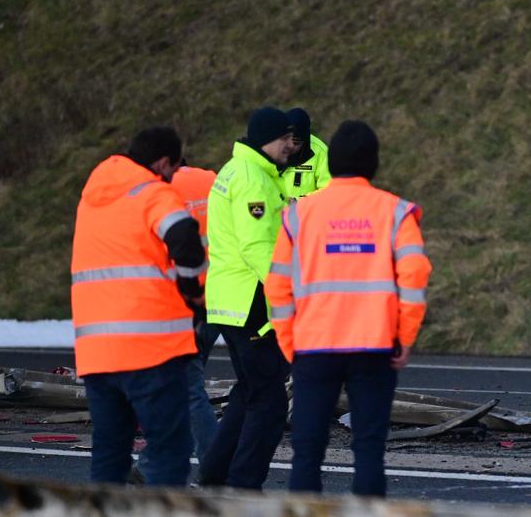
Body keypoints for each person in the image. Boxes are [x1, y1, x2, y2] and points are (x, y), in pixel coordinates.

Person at [267, 121, 431, 496]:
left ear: (333, 161)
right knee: (369, 448)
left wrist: (289, 343)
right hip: (374, 346)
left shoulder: (297, 215)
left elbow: (278, 285)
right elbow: (414, 276)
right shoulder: (395, 212)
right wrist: (404, 335)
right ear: (373, 164)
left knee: (307, 451)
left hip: (314, 347)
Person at [71, 127, 208, 486]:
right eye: (175, 169)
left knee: (109, 453)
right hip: (151, 350)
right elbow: (185, 240)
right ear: (163, 163)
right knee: (168, 451)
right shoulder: (154, 193)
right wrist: (192, 292)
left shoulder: (93, 197)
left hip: (98, 353)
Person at [197, 106, 297, 490]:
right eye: (285, 138)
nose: (291, 145)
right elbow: (259, 248)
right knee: (269, 400)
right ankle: (244, 483)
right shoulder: (254, 179)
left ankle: (216, 472)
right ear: (266, 138)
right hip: (252, 300)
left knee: (250, 390)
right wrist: (288, 294)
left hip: (230, 299)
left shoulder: (235, 170)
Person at [132, 160, 220, 476]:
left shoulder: (158, 191)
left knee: (187, 388)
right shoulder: (212, 179)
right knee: (178, 387)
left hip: (184, 301)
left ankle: (216, 468)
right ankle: (148, 465)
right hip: (221, 298)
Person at [281, 107, 331, 200]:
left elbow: (328, 191)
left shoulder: (321, 153)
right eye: (286, 140)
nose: (290, 146)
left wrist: (297, 202)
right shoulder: (272, 146)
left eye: (296, 142)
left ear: (305, 139)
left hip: (305, 212)